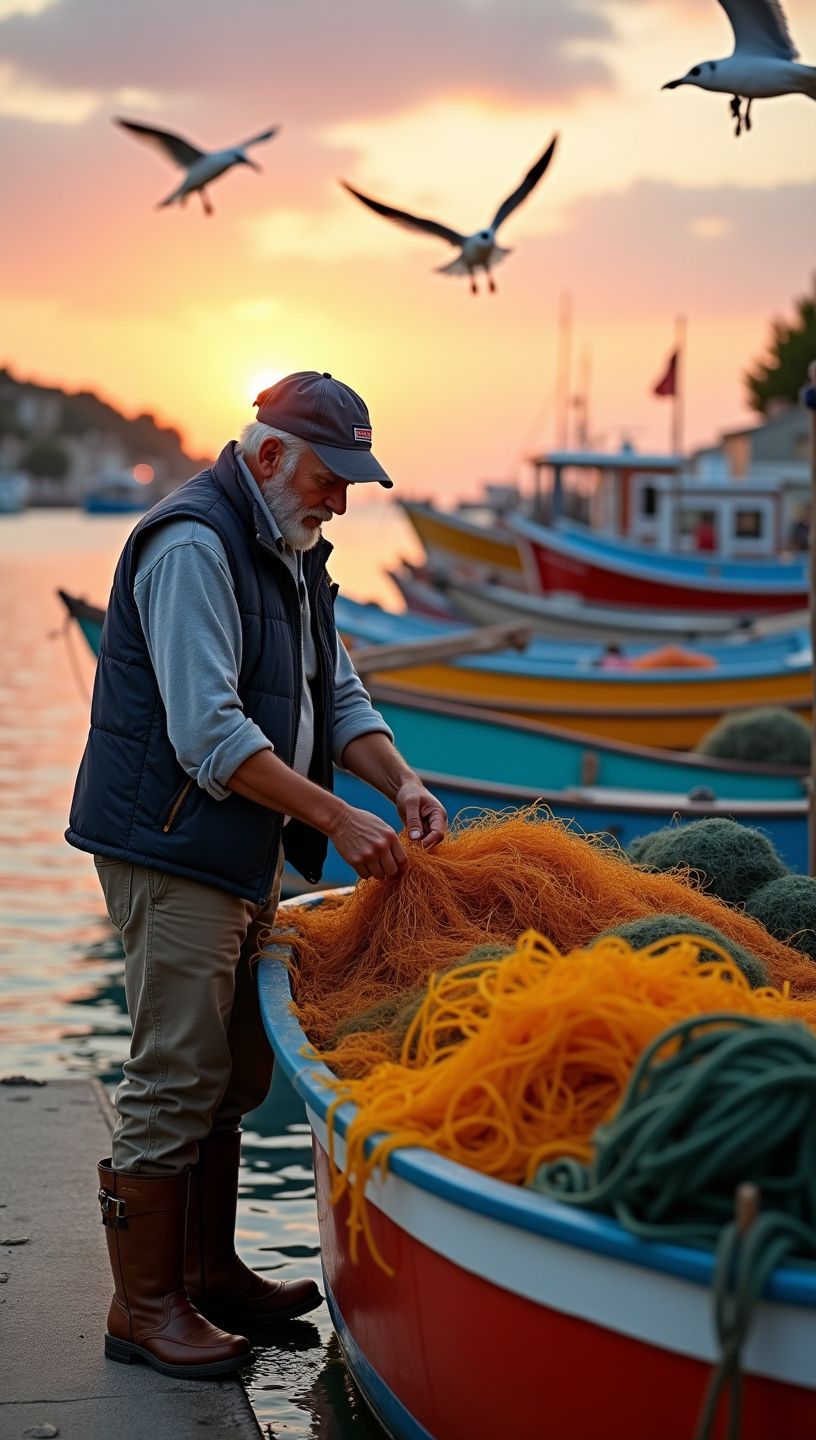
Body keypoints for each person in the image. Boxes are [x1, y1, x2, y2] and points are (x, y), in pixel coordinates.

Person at [66, 370, 448, 1379]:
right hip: (174, 843)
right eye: (332, 478)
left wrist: (400, 779)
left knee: (232, 1072)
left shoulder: (291, 547)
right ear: (270, 455)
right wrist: (337, 819)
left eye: (355, 484)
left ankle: (212, 1274)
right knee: (175, 1074)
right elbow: (209, 732)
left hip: (240, 849)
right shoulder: (195, 542)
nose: (342, 502)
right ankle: (143, 1309)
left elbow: (339, 689)